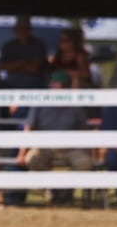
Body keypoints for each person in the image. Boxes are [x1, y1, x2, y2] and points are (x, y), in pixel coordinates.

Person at [17, 69, 92, 205]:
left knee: (85, 163)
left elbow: (83, 131)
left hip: (71, 148)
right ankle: (50, 187)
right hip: (45, 147)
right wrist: (21, 153)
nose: (58, 90)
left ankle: (66, 190)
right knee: (32, 160)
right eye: (55, 86)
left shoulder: (76, 107)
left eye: (62, 86)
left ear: (68, 88)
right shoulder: (39, 104)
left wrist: (88, 151)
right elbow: (28, 128)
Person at [0, 15, 49, 89]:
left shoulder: (38, 45)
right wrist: (22, 63)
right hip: (11, 86)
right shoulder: (8, 46)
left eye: (25, 29)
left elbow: (35, 68)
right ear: (15, 30)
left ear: (30, 30)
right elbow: (2, 66)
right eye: (20, 29)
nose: (22, 32)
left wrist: (13, 67)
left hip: (35, 86)